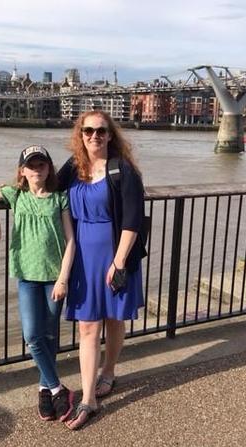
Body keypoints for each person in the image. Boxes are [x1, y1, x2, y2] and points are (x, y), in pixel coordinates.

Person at [0, 145, 76, 422]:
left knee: (48, 336)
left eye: (42, 164)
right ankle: (59, 389)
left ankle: (43, 389)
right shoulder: (16, 195)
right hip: (27, 275)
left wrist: (63, 278)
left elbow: (71, 240)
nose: (37, 169)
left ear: (49, 168)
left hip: (53, 278)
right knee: (33, 337)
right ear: (22, 171)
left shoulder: (60, 198)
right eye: (31, 165)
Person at [57, 111, 146, 430]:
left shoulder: (123, 169)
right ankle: (89, 398)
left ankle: (108, 372)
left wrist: (119, 261)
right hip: (81, 256)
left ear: (110, 135)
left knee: (114, 318)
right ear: (80, 134)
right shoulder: (72, 167)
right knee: (87, 327)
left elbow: (133, 218)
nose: (94, 136)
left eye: (101, 131)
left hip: (113, 253)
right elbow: (44, 189)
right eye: (88, 130)